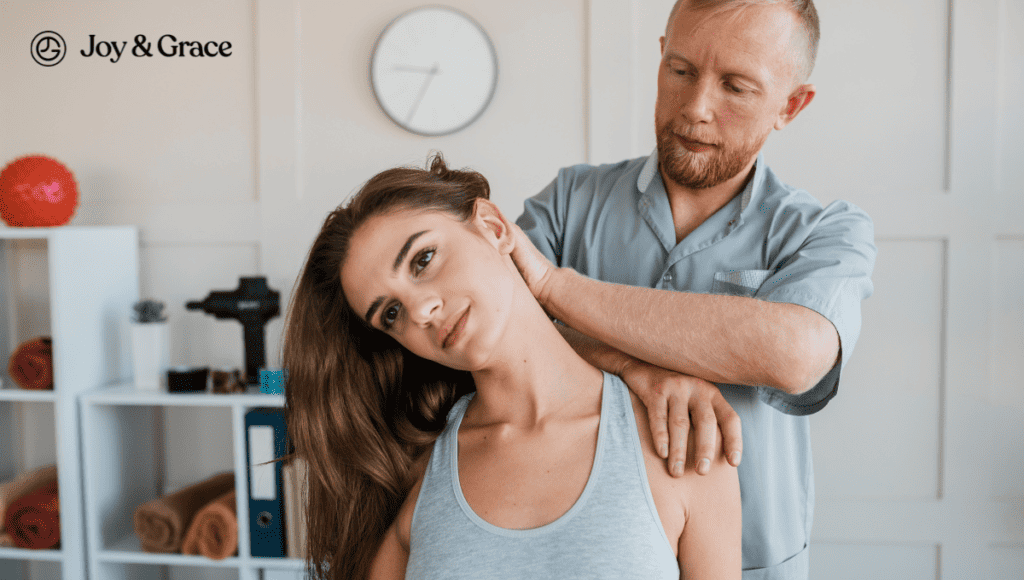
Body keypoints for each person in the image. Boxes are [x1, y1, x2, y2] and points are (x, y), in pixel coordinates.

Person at [512, 0, 877, 578]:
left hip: (751, 561)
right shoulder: (567, 202)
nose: (695, 109)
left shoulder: (827, 232)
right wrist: (633, 368)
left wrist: (555, 290)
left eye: (735, 86)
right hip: (577, 556)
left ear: (791, 105)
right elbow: (490, 330)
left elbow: (795, 355)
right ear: (660, 58)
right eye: (680, 71)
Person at [281, 155, 741, 580]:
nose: (421, 311)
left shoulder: (679, 439)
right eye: (392, 315)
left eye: (423, 259)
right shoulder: (420, 475)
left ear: (493, 227)